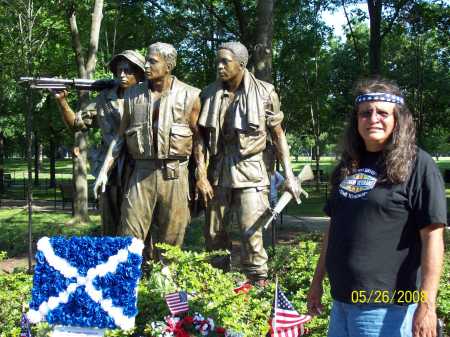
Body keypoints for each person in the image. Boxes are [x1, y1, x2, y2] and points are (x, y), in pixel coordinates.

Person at [307, 78, 447, 337]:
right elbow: (333, 229)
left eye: (383, 112)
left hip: (388, 309)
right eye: (365, 113)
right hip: (342, 305)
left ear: (398, 120)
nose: (373, 118)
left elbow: (433, 237)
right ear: (356, 120)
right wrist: (317, 283)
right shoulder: (347, 167)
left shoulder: (418, 165)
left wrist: (427, 306)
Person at [196, 41, 301, 285]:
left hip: (252, 171)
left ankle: (257, 287)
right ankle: (216, 285)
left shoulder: (265, 92)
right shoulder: (209, 93)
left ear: (241, 64)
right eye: (218, 61)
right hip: (219, 172)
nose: (219, 66)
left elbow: (278, 136)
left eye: (225, 62)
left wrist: (290, 176)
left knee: (251, 233)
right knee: (213, 235)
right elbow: (199, 140)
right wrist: (201, 175)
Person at [96, 42, 202, 254]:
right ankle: (127, 281)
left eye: (152, 61)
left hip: (174, 174)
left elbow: (199, 140)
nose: (146, 65)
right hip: (141, 173)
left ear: (168, 65)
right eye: (146, 60)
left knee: (171, 239)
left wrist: (202, 175)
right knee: (128, 234)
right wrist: (104, 170)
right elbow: (120, 137)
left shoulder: (190, 95)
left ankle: (166, 283)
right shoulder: (132, 95)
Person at [53, 50, 146, 235]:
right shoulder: (105, 98)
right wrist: (62, 102)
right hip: (110, 169)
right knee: (110, 220)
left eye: (127, 70)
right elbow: (76, 124)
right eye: (119, 70)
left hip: (141, 167)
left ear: (139, 73)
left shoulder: (148, 97)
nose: (122, 75)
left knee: (138, 221)